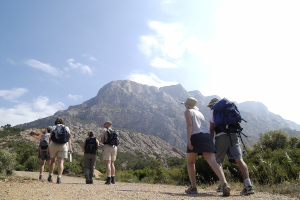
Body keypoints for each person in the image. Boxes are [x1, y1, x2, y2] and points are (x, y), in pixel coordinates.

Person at [182, 97, 230, 196]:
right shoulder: (200, 114)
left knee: (190, 162)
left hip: (196, 136)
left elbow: (189, 126)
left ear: (187, 105)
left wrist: (189, 140)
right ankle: (225, 184)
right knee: (213, 162)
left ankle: (193, 187)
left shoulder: (187, 112)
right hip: (206, 137)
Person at [207, 98, 254, 195]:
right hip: (234, 135)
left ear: (213, 105)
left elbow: (212, 129)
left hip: (221, 136)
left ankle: (222, 184)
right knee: (239, 160)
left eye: (210, 106)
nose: (210, 108)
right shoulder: (229, 109)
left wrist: (211, 141)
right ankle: (248, 185)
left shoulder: (213, 112)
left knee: (218, 161)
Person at [47, 117, 73, 184]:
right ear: (63, 122)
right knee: (61, 162)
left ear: (56, 122)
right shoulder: (66, 128)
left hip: (53, 145)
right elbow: (69, 139)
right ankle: (59, 178)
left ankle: (50, 176)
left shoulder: (53, 128)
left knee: (52, 161)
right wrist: (70, 148)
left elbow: (50, 139)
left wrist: (48, 148)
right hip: (63, 146)